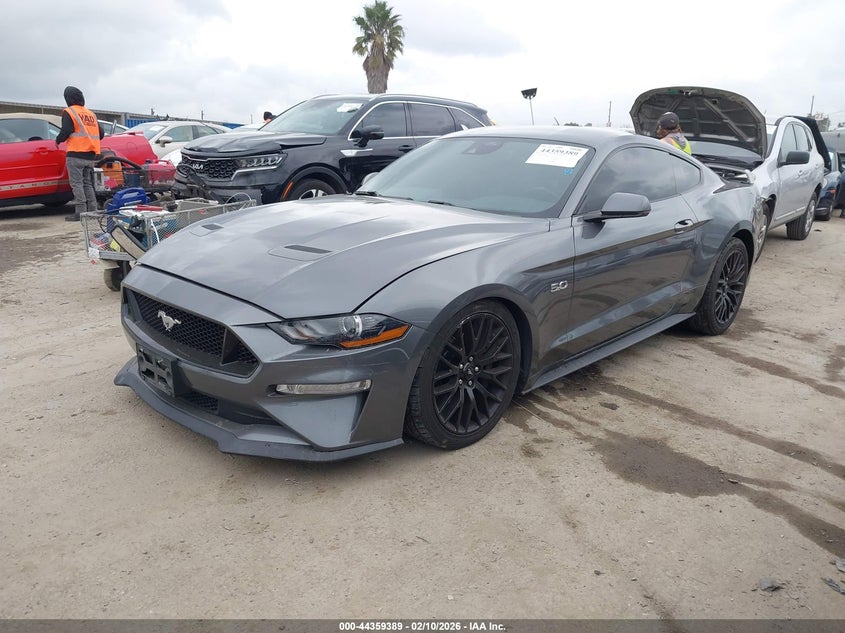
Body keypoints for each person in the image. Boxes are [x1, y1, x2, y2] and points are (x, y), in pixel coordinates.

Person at [55, 86, 103, 221]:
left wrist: (58, 140)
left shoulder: (69, 112)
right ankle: (93, 210)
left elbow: (66, 130)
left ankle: (80, 212)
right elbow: (102, 133)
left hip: (75, 154)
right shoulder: (90, 114)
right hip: (90, 155)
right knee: (87, 183)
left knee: (77, 184)